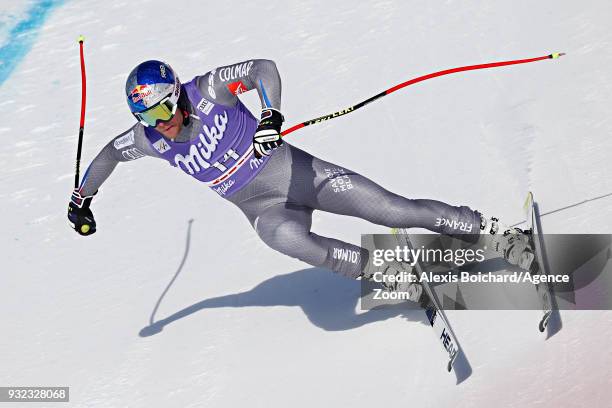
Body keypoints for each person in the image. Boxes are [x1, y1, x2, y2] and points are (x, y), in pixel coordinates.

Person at [67, 59, 532, 302]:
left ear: (177, 96)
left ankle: (493, 233)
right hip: (264, 207)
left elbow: (260, 69)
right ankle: (393, 274)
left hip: (301, 177)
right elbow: (109, 153)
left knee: (395, 210)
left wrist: (269, 115)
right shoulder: (150, 138)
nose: (160, 123)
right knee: (282, 238)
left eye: (163, 109)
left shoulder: (207, 91)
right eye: (146, 117)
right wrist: (82, 198)